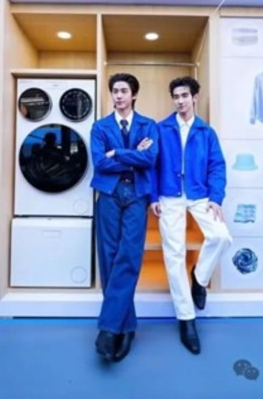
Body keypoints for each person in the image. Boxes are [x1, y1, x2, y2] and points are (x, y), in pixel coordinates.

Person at [150, 76, 232, 355]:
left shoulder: (206, 132)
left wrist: (216, 198)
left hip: (199, 195)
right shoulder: (161, 129)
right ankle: (186, 319)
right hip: (169, 195)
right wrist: (153, 197)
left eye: (184, 95)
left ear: (194, 98)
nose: (180, 101)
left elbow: (217, 166)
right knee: (173, 254)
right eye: (176, 96)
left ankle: (199, 276)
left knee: (221, 236)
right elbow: (152, 165)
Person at [90, 73, 158, 362]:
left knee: (129, 254)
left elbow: (150, 159)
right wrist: (133, 156)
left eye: (123, 91)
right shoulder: (100, 126)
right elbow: (99, 163)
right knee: (109, 256)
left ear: (134, 95)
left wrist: (118, 151)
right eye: (115, 91)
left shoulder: (148, 125)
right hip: (108, 194)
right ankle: (125, 327)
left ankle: (108, 329)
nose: (118, 95)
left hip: (137, 195)